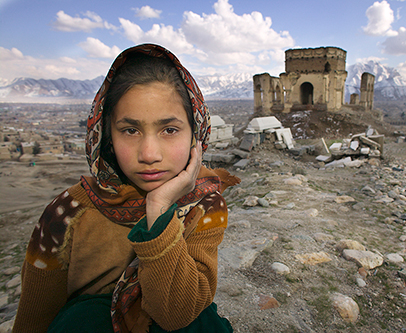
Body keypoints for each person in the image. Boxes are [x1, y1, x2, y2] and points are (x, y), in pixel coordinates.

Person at [12, 44, 239, 333]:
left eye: (169, 130)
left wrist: (158, 212)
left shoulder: (205, 206)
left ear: (197, 134)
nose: (149, 154)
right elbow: (35, 319)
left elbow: (176, 314)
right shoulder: (69, 214)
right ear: (106, 135)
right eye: (130, 130)